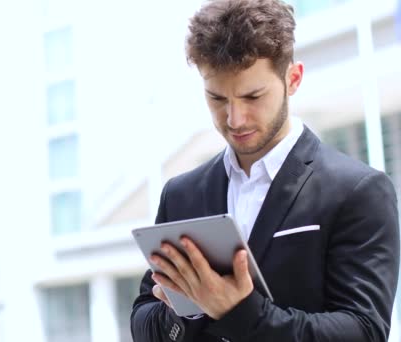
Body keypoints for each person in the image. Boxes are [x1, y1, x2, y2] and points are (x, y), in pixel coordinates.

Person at [130, 0, 400, 341]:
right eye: (217, 99)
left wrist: (239, 312)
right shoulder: (181, 194)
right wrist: (188, 306)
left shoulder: (358, 191)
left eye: (252, 97)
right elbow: (143, 321)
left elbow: (364, 332)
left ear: (293, 79)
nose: (234, 119)